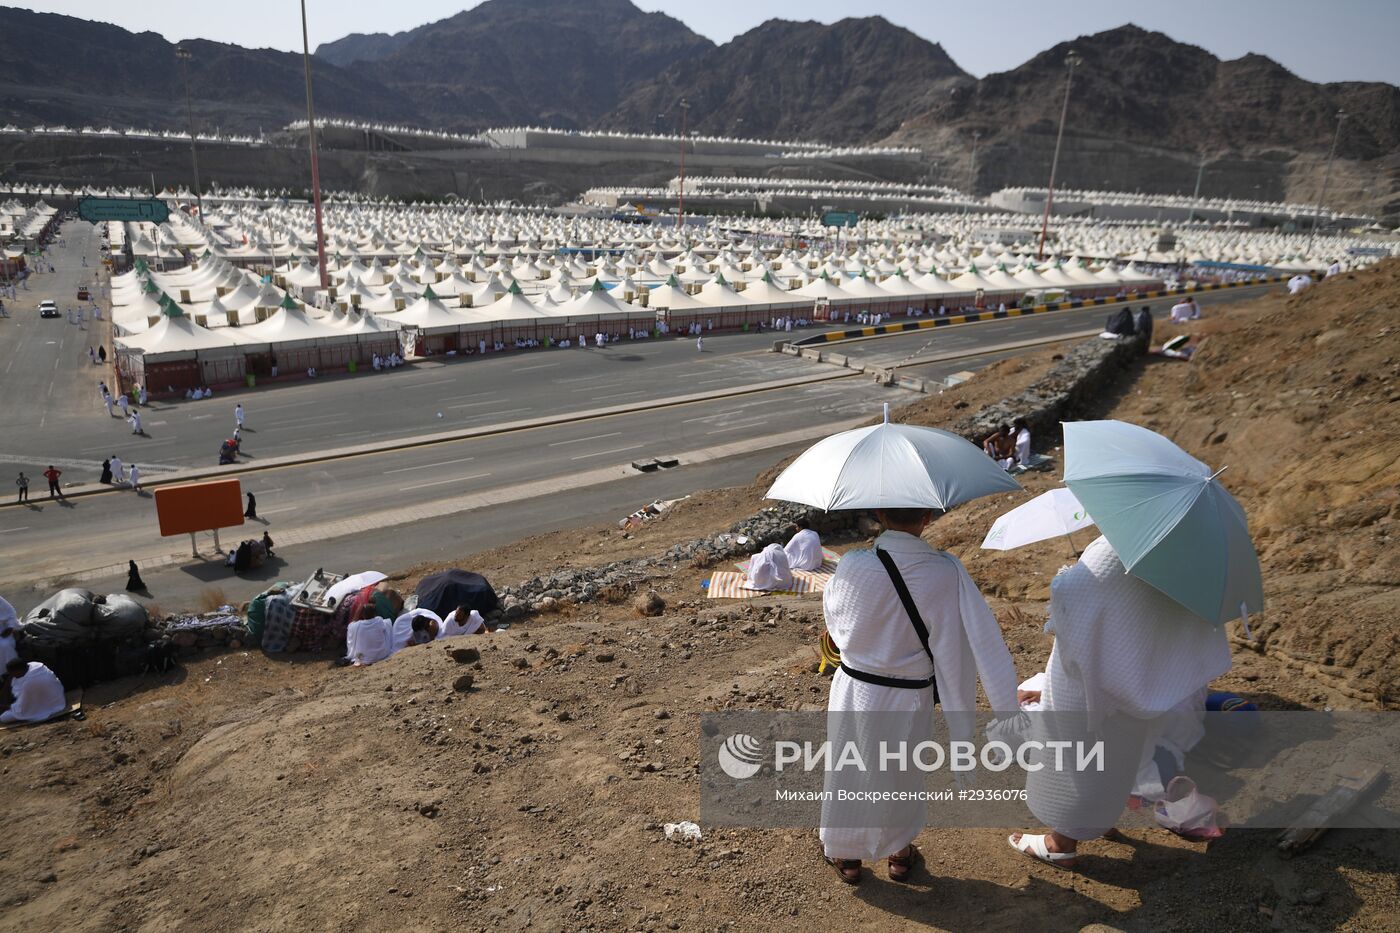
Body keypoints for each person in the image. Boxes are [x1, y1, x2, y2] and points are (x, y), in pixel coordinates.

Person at [820, 507, 1019, 884]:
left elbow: (834, 615)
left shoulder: (853, 564)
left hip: (854, 688)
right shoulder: (944, 572)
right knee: (900, 773)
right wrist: (1002, 705)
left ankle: (846, 855)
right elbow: (970, 640)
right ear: (928, 515)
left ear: (878, 512)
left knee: (848, 768)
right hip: (908, 697)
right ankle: (899, 853)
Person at [1009, 535, 1231, 868]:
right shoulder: (1193, 552)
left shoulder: (1117, 547)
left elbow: (1076, 601)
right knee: (1122, 750)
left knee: (1077, 750)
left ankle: (1060, 843)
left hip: (1100, 680)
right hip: (1152, 681)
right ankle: (1101, 817)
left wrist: (1068, 577)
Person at [1, 659, 67, 723]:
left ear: (18, 671)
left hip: (51, 706)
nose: (13, 676)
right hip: (56, 696)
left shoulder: (29, 684)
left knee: (4, 717)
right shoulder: (35, 665)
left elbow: (22, 708)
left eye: (13, 673)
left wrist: (6, 707)